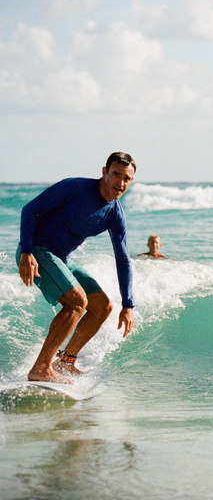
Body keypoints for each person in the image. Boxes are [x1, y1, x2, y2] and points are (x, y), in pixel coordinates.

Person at [17, 152, 137, 384]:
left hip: (61, 257)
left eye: (126, 179)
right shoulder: (75, 188)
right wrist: (27, 252)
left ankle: (65, 362)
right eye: (116, 175)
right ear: (104, 172)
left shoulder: (115, 213)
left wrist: (128, 304)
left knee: (102, 306)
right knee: (77, 302)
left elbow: (123, 259)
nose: (120, 183)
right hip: (37, 249)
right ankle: (41, 368)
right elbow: (30, 210)